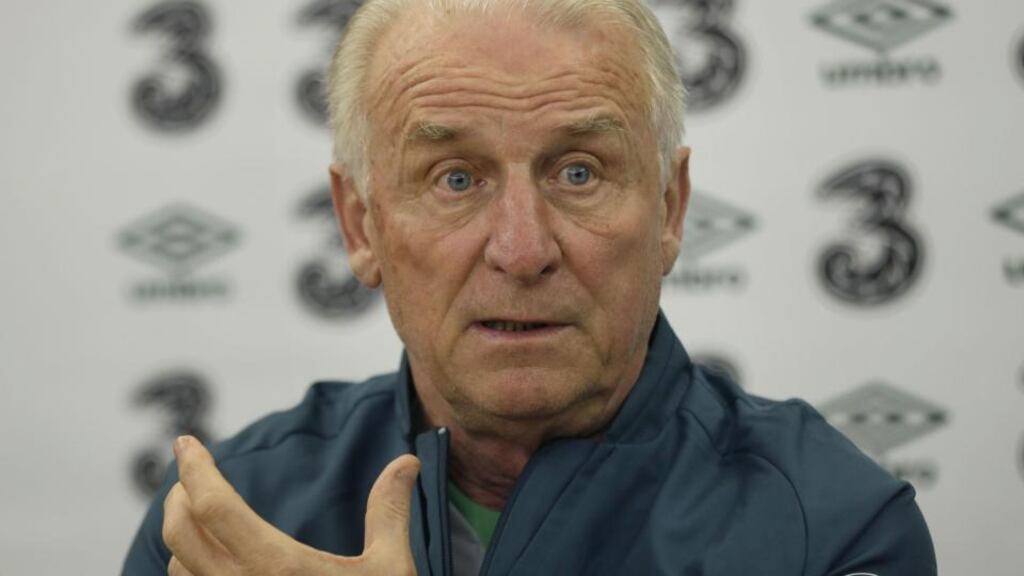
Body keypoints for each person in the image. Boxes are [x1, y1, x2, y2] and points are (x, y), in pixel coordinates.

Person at [124, 0, 937, 574]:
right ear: (361, 226)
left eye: (579, 171)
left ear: (668, 208)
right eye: (454, 178)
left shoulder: (827, 529)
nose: (521, 249)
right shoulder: (230, 523)